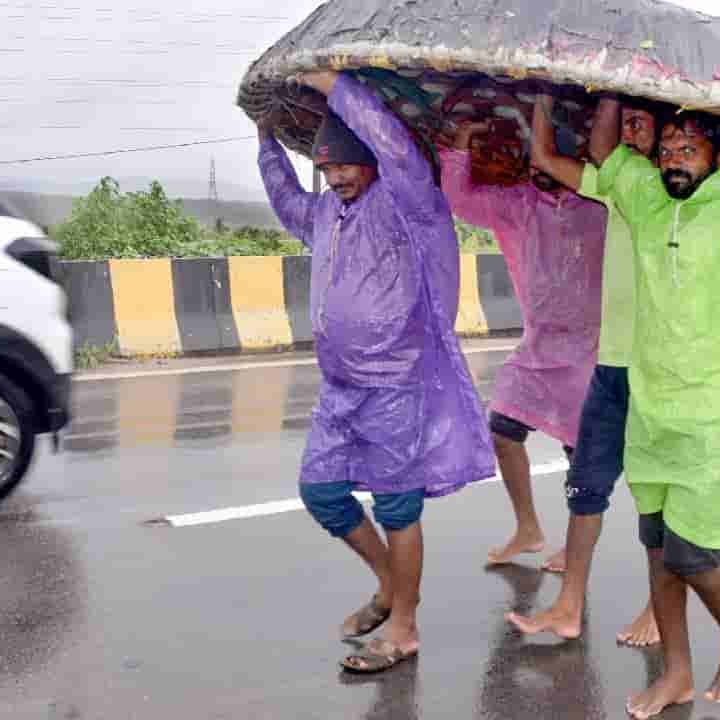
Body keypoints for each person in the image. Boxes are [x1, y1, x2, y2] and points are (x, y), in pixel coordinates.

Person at [524, 93, 720, 718]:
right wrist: (607, 90)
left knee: (692, 553)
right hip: (653, 410)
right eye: (667, 149)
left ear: (719, 155)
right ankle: (677, 675)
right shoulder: (644, 198)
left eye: (688, 149)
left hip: (718, 415)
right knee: (659, 551)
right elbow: (607, 156)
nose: (672, 160)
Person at [256, 70, 495, 675]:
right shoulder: (325, 213)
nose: (335, 177)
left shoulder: (405, 201)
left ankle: (406, 628)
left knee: (396, 509)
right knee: (322, 493)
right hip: (339, 390)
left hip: (396, 385)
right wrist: (265, 143)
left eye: (345, 166)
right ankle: (391, 586)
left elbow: (394, 147)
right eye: (326, 168)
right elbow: (286, 198)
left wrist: (337, 88)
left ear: (372, 163)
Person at [506, 96, 665, 648]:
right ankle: (568, 607)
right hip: (611, 367)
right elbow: (548, 158)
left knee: (659, 502)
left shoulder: (695, 197)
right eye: (628, 125)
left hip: (663, 374)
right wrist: (552, 103)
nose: (632, 132)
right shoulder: (617, 183)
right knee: (586, 488)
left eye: (645, 123)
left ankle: (658, 607)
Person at [438, 118, 604, 574]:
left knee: (581, 459)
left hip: (590, 353)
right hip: (537, 348)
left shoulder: (603, 206)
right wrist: (461, 144)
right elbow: (460, 199)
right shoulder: (519, 204)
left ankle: (576, 547)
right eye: (537, 159)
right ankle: (528, 528)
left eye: (553, 157)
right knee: (502, 430)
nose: (542, 168)